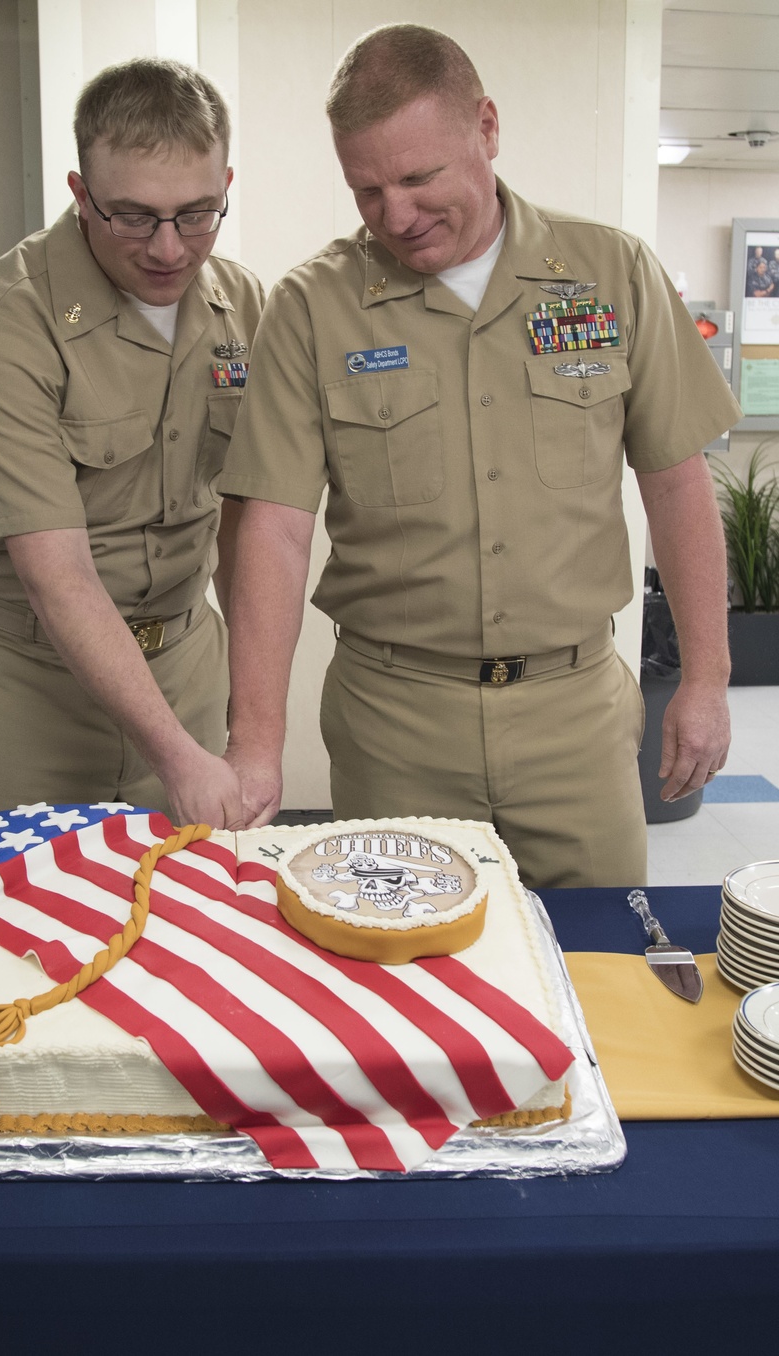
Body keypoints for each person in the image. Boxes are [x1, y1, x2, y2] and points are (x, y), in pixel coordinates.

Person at [217, 24, 741, 889]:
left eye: (419, 178)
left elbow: (677, 483)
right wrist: (256, 742)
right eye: (367, 189)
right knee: (408, 997)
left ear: (486, 130)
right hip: (395, 721)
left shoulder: (611, 275)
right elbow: (272, 529)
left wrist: (709, 681)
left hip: (574, 716)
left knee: (598, 976)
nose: (396, 215)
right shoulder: (314, 307)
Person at [0, 58, 263, 835]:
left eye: (198, 213)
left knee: (186, 932)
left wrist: (249, 730)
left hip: (187, 665)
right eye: (134, 216)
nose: (169, 248)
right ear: (80, 193)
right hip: (33, 691)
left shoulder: (245, 303)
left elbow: (247, 523)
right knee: (32, 935)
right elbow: (60, 579)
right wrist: (181, 759)